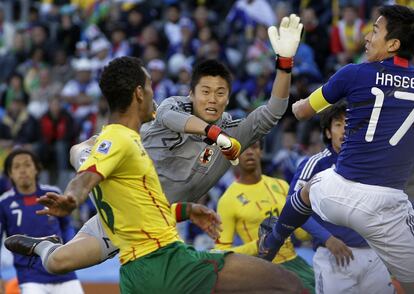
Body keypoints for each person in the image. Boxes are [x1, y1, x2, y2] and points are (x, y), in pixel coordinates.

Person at [5, 14, 305, 276]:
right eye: (205, 91)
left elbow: (275, 109)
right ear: (191, 93)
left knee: (58, 263)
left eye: (220, 93)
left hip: (142, 221)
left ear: (228, 97)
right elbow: (167, 116)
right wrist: (214, 135)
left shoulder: (237, 132)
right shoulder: (173, 106)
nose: (212, 99)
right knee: (79, 151)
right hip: (119, 184)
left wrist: (284, 64)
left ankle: (45, 246)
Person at [258, 5, 414, 293]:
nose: (367, 37)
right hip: (391, 205)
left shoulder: (354, 74)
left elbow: (303, 111)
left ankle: (273, 241)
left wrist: (294, 96)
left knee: (305, 190)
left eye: (375, 30)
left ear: (393, 44)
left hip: (341, 191)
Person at [290, 101, 394, 294]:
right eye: (338, 124)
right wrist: (327, 238)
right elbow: (292, 207)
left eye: (350, 123)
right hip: (334, 255)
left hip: (375, 255)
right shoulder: (315, 164)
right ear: (328, 133)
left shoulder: (372, 164)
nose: (345, 129)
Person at [215, 141, 315, 293]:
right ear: (234, 156)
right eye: (243, 149)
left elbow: (302, 234)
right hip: (263, 270)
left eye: (254, 147)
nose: (249, 152)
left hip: (296, 263)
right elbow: (221, 253)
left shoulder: (281, 185)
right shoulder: (227, 200)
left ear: (261, 151)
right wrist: (258, 246)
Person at [0, 149, 83, 294]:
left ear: (37, 169)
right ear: (10, 174)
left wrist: (69, 249)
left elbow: (66, 226)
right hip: (30, 278)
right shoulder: (4, 202)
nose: (23, 170)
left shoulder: (52, 193)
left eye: (27, 165)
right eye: (17, 167)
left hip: (64, 272)